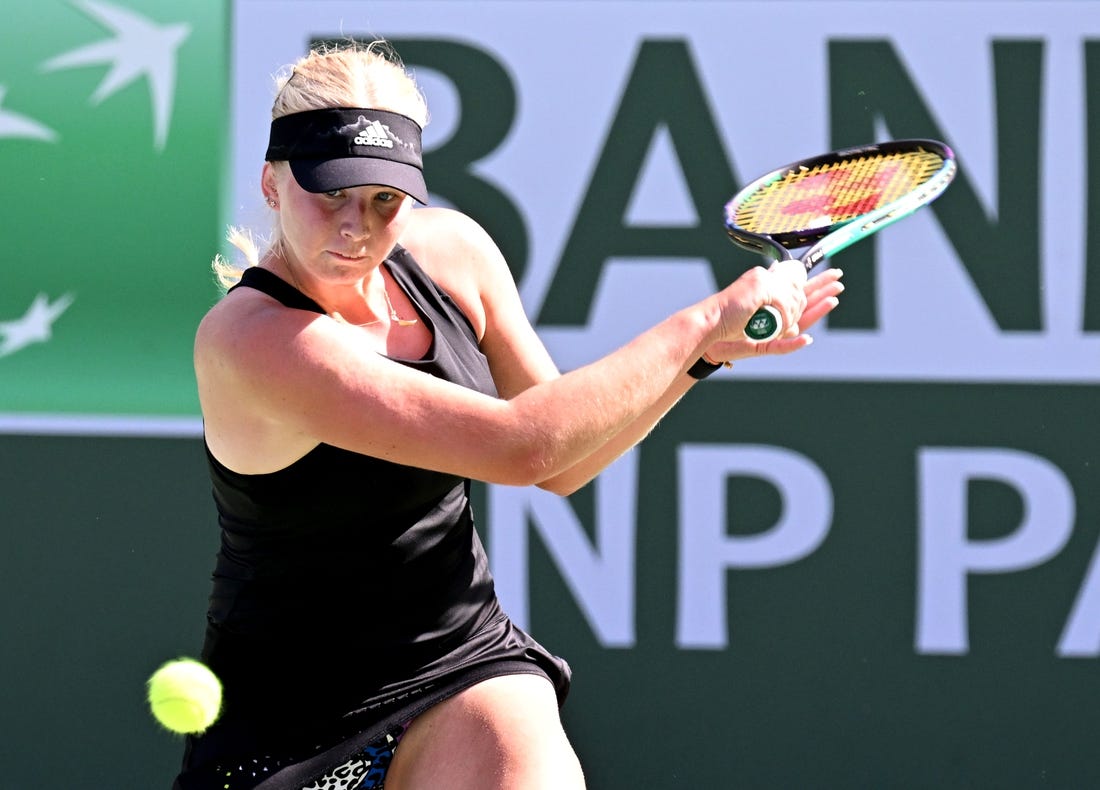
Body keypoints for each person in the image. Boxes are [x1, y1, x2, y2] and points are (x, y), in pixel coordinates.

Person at [174, 40, 844, 790]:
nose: (356, 225)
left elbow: (564, 465)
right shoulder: (252, 341)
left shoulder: (453, 253)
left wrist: (705, 356)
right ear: (271, 183)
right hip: (285, 717)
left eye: (384, 199)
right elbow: (520, 446)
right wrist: (700, 322)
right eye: (329, 192)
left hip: (460, 660)